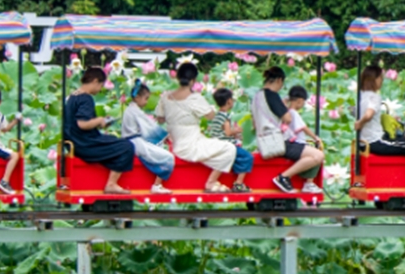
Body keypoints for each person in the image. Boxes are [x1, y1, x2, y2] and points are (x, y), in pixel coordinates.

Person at [159, 63, 252, 192]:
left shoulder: (165, 97)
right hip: (192, 144)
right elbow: (211, 116)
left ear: (177, 78)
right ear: (193, 80)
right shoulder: (195, 98)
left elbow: (160, 119)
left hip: (175, 144)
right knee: (229, 148)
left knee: (218, 146)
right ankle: (211, 182)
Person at [355, 64, 405, 191]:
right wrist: (360, 123)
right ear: (375, 79)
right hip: (376, 141)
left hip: (364, 141)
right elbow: (368, 114)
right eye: (381, 79)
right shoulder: (374, 97)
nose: (382, 82)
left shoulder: (361, 96)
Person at [64, 67, 137, 194]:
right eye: (101, 85)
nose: (100, 89)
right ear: (95, 81)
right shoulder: (85, 98)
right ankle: (111, 184)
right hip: (84, 144)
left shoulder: (72, 96)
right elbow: (82, 124)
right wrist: (99, 120)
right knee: (126, 146)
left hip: (73, 142)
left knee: (113, 141)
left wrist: (100, 123)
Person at [251, 67, 324, 193]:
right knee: (318, 155)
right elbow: (288, 118)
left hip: (263, 141)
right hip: (280, 142)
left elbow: (254, 123)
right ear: (279, 80)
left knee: (310, 151)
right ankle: (284, 177)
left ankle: (299, 182)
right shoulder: (272, 95)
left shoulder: (256, 97)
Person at [118, 82, 175, 192]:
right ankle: (157, 185)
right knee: (167, 157)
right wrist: (165, 135)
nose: (147, 101)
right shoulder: (135, 111)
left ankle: (157, 185)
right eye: (146, 98)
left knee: (160, 151)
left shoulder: (130, 109)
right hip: (136, 143)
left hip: (130, 142)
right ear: (137, 97)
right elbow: (150, 128)